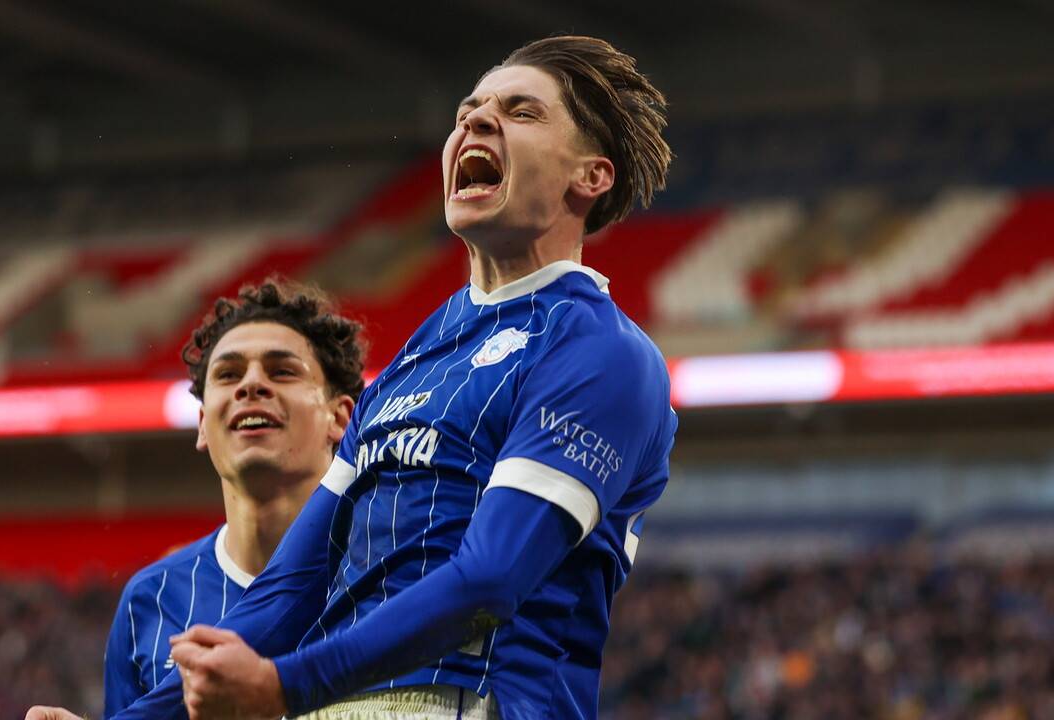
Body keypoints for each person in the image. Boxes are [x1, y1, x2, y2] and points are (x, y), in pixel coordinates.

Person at [112, 33, 677, 720]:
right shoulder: (418, 355)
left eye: (521, 111)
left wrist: (286, 686)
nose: (477, 120)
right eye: (469, 111)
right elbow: (291, 589)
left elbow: (490, 582)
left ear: (590, 177)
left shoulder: (601, 352)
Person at [24, 280, 366, 720]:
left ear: (340, 417)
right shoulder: (150, 600)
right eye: (228, 374)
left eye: (282, 371)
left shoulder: (393, 567)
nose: (251, 384)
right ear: (203, 424)